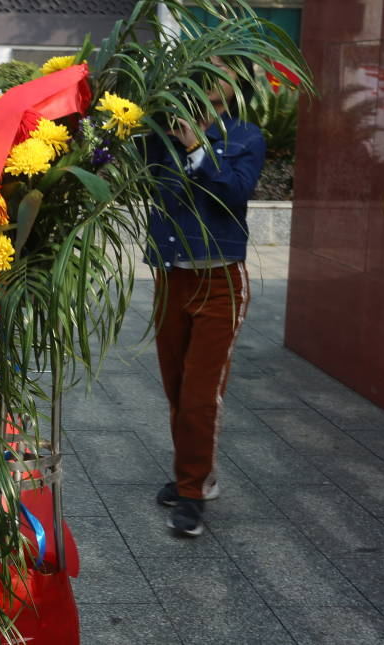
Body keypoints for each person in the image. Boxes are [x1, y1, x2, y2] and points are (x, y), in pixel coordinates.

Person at [145, 63, 265, 538]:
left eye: (225, 70)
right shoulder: (163, 132)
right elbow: (148, 182)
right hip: (171, 278)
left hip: (221, 282)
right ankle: (193, 473)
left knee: (200, 394)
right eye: (208, 67)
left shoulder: (245, 136)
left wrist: (197, 147)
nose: (215, 78)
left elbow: (234, 192)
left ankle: (192, 492)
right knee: (177, 387)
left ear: (237, 85)